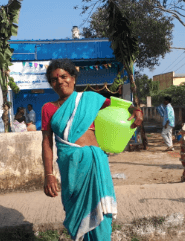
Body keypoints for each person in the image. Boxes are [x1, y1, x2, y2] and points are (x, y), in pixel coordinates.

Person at [41, 59, 143, 240]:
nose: (60, 82)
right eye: (54, 80)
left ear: (73, 78)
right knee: (76, 214)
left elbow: (121, 107)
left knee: (101, 219)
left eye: (64, 76)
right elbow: (47, 143)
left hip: (95, 164)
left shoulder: (90, 99)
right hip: (71, 170)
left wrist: (136, 110)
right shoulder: (48, 109)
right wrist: (48, 175)